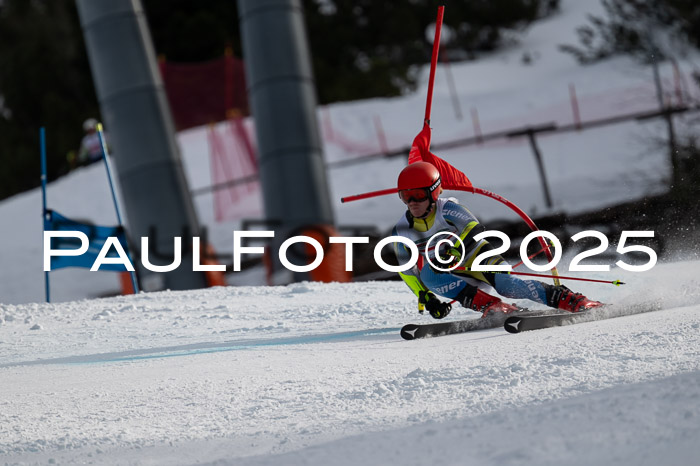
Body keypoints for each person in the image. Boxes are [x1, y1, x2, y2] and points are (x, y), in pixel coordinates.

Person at [391, 161, 602, 319]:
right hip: (458, 276)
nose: (412, 203)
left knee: (508, 286)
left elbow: (474, 229)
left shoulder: (448, 209)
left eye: (418, 195)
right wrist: (427, 299)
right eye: (405, 196)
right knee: (428, 273)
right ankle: (492, 306)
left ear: (434, 192)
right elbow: (407, 270)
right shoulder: (401, 231)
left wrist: (455, 249)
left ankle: (571, 300)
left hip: (478, 257)